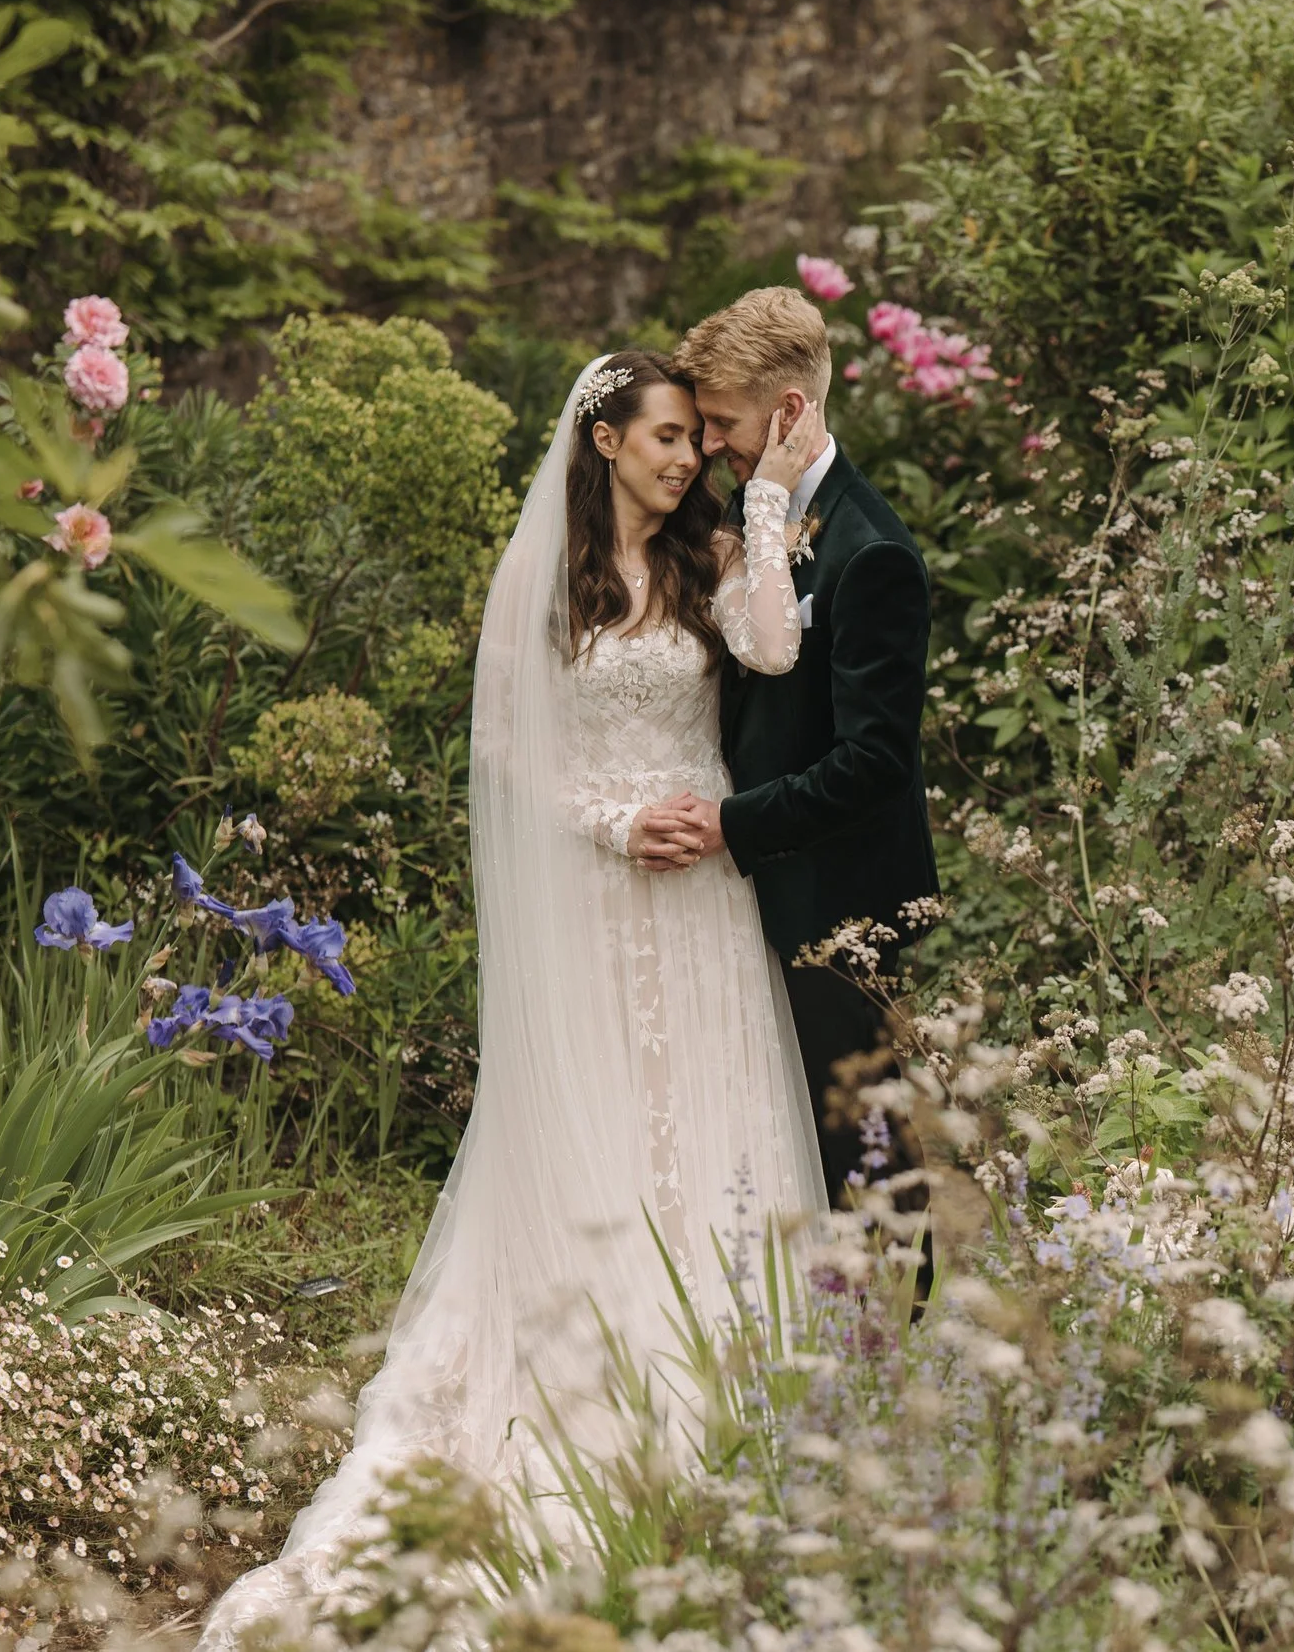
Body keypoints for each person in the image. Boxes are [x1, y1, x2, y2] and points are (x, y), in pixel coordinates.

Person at [196, 353, 829, 1647]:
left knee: (712, 1129)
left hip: (706, 902)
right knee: (601, 1137)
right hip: (604, 902)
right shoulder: (546, 578)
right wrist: (609, 817)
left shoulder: (712, 554)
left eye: (689, 444)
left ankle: (728, 1391)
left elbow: (773, 644)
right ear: (603, 440)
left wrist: (763, 492)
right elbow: (504, 755)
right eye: (664, 439)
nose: (681, 458)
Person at [638, 287, 943, 1217]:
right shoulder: (745, 514)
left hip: (841, 896)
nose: (708, 446)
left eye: (723, 424)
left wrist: (732, 824)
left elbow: (874, 762)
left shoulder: (870, 550)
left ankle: (897, 1337)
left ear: (790, 413)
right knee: (790, 1141)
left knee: (862, 1145)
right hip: (759, 893)